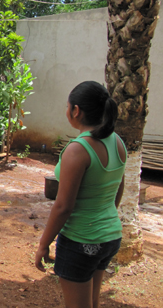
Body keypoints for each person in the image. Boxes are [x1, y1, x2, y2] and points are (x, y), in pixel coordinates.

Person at [35, 81, 127, 308]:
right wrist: (103, 219)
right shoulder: (117, 143)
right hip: (110, 236)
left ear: (76, 111)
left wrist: (43, 244)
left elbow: (63, 206)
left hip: (81, 241)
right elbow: (118, 188)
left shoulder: (78, 150)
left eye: (67, 106)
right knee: (92, 302)